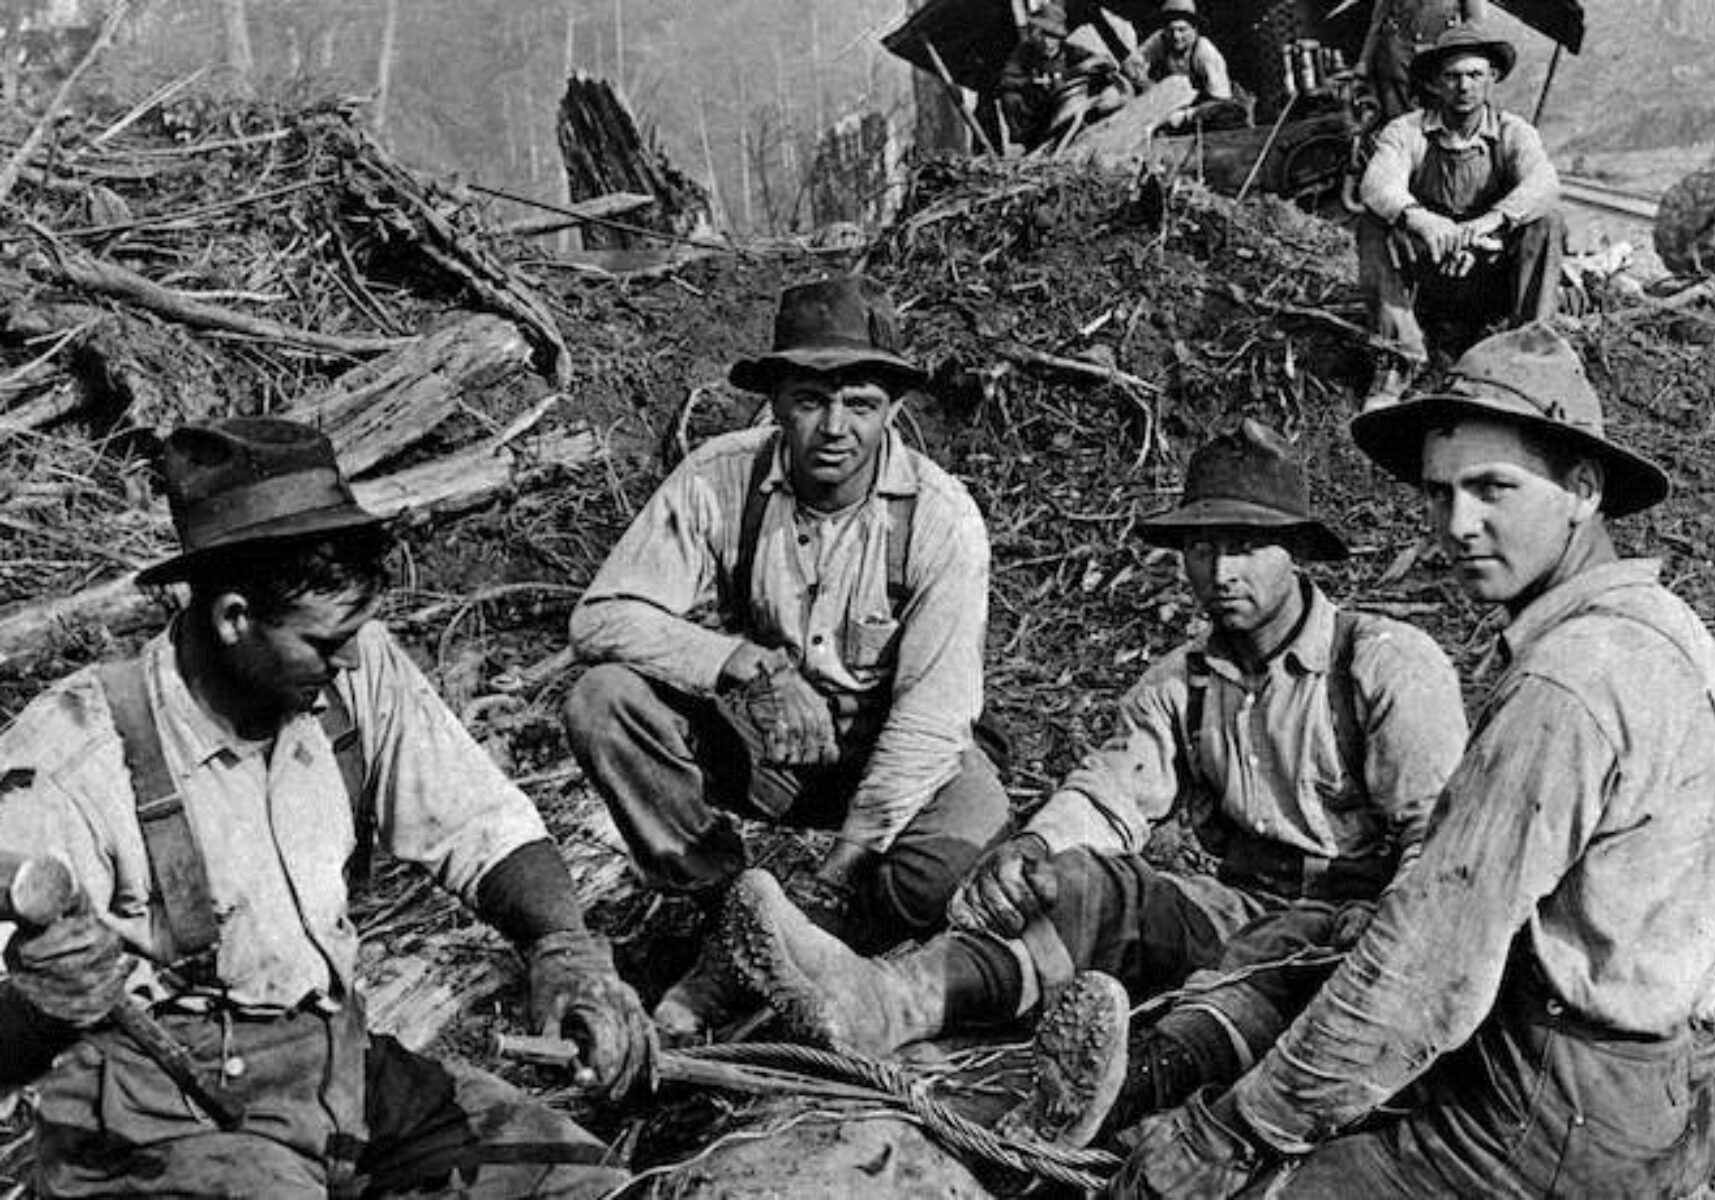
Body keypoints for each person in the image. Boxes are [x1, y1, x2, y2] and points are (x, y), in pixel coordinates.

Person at [1112, 324, 1715, 1198]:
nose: (1456, 524)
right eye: (1439, 493)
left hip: (1560, 1109)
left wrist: (1230, 1131)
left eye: (1493, 488)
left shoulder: (1568, 683)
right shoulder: (1673, 635)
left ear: (1582, 487)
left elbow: (1431, 971)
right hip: (1686, 1077)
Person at [721, 420, 1467, 1147]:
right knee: (1077, 884)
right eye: (1201, 547)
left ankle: (1104, 1100)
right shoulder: (1186, 682)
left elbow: (1437, 840)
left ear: (1299, 551)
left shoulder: (1384, 666)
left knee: (1273, 960)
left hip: (1359, 924)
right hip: (1237, 902)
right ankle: (885, 1002)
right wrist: (1034, 849)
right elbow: (1111, 793)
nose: (1221, 571)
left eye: (1245, 546)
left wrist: (1384, 945)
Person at [0, 418, 654, 1198]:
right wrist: (44, 1004)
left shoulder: (351, 669)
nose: (348, 657)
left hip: (336, 1076)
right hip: (152, 1122)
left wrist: (564, 949)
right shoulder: (78, 753)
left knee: (582, 1181)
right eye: (323, 641)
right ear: (234, 617)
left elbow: (484, 827)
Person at [562, 275, 1010, 1044]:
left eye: (860, 405)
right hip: (767, 741)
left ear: (893, 411)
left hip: (887, 751)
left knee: (962, 840)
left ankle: (819, 937)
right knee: (602, 702)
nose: (835, 428)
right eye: (810, 400)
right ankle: (728, 913)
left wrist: (835, 871)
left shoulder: (941, 520)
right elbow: (600, 620)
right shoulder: (719, 479)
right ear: (774, 403)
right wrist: (743, 663)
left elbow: (933, 721)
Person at [1355, 24, 1563, 410]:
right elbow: (1377, 184)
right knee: (1372, 223)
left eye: (1474, 75)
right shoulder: (1407, 131)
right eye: (1452, 76)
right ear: (1436, 81)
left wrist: (1488, 225)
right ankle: (1399, 360)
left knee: (1547, 221)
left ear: (1492, 78)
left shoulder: (1513, 132)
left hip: (1489, 274)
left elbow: (1544, 182)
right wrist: (1424, 221)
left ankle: (1526, 362)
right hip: (1428, 275)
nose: (1463, 86)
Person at [998, 3, 1129, 151]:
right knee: (1010, 98)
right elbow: (1007, 79)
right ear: (1037, 33)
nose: (1048, 42)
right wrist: (1036, 82)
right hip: (1038, 111)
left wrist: (1098, 64)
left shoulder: (1070, 52)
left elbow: (1100, 62)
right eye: (1044, 34)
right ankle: (1030, 144)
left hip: (1066, 108)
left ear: (1060, 37)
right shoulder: (1025, 52)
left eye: (1053, 36)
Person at [1122, 0, 1248, 133]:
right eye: (1171, 30)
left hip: (1205, 108)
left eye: (1182, 30)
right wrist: (1145, 82)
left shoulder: (1206, 53)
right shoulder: (1160, 39)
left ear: (1194, 29)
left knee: (1223, 117)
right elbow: (1131, 63)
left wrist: (1185, 115)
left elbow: (1221, 100)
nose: (1176, 36)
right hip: (1171, 103)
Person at [1354, 0, 1489, 122]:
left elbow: (1475, 23)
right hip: (1396, 60)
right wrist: (1364, 61)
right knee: (1395, 120)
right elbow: (1377, 22)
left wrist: (1457, 51)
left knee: (1444, 117)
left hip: (1440, 59)